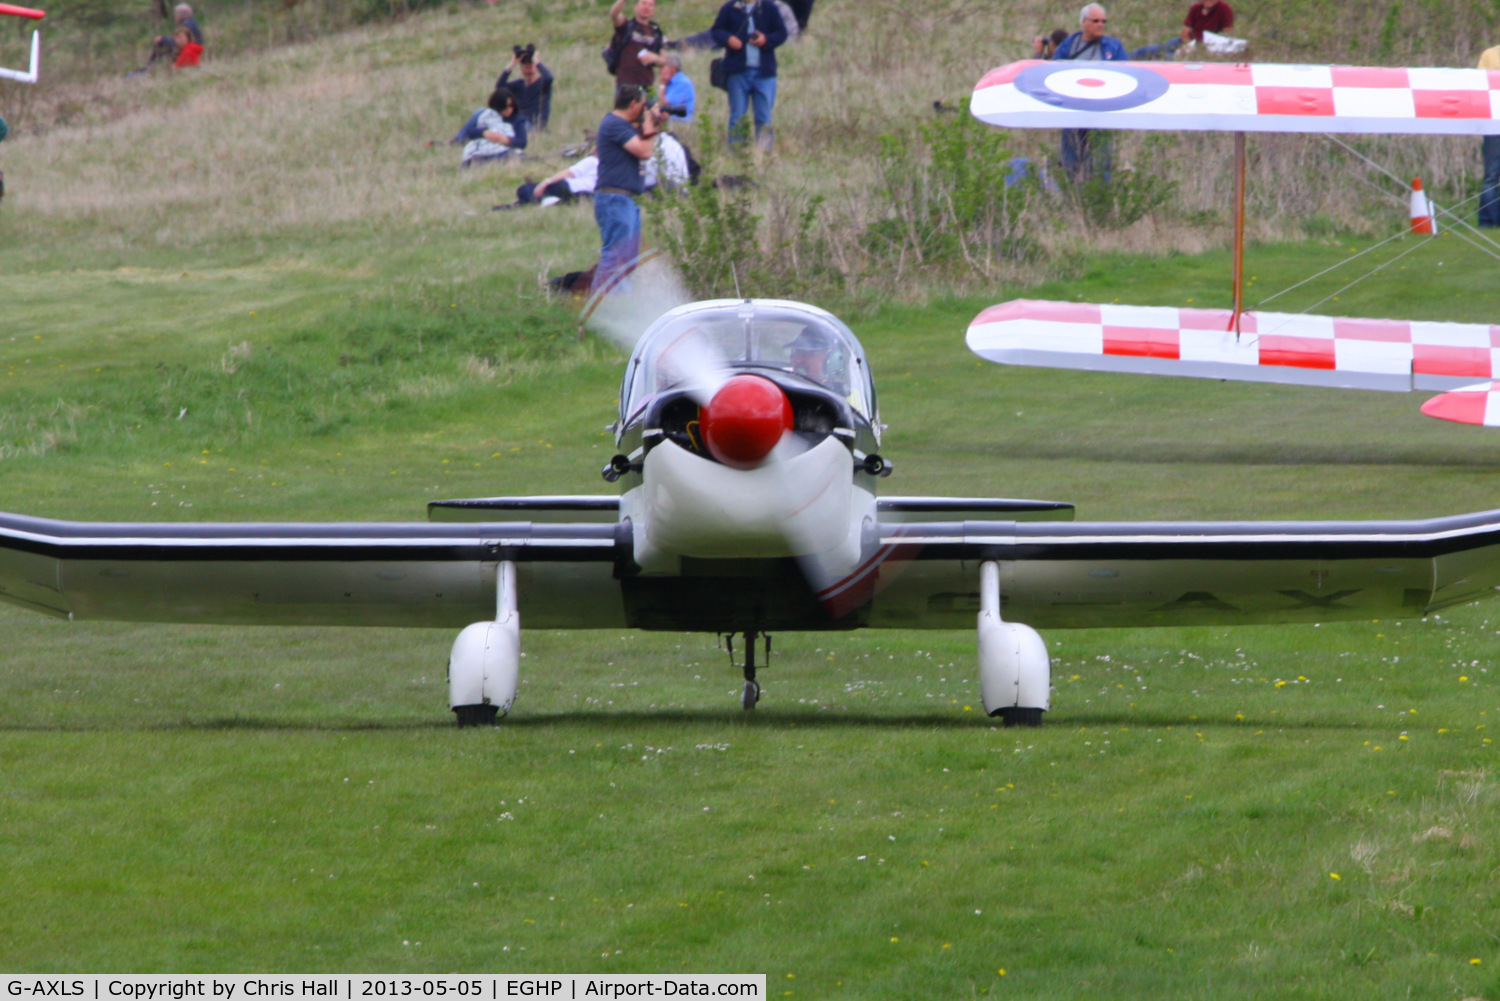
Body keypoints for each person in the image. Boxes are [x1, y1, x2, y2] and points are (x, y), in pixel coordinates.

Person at [1034, 4, 1125, 182]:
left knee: (1101, 162)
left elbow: (1128, 74)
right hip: (1073, 112)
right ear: (1084, 22)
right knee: (1070, 161)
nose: (1100, 24)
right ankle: (1071, 198)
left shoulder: (1113, 47)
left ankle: (1099, 201)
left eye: (1103, 21)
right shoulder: (1069, 46)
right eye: (1096, 20)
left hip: (1102, 113)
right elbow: (1052, 73)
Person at [592, 84, 667, 293]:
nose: (645, 109)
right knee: (616, 256)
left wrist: (655, 122)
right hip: (615, 198)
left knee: (627, 258)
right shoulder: (614, 124)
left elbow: (640, 140)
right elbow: (644, 151)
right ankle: (601, 308)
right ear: (633, 104)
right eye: (643, 105)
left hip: (627, 199)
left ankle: (619, 304)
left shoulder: (622, 126)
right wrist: (651, 126)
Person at [711, 0, 789, 148]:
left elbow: (782, 33)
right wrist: (728, 39)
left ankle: (764, 153)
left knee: (764, 117)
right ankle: (737, 153)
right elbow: (716, 30)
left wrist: (766, 40)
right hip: (737, 72)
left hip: (764, 72)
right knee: (737, 116)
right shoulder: (730, 8)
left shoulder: (768, 8)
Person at [1130, 0, 1233, 60]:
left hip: (1205, 48)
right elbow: (1185, 33)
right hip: (1187, 41)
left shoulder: (1224, 9)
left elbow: (1226, 36)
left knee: (1167, 57)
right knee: (1154, 49)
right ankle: (1124, 58)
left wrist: (1199, 50)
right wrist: (1187, 45)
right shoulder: (1196, 8)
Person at [609, 0, 666, 89]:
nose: (647, 7)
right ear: (635, 7)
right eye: (643, 3)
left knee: (654, 103)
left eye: (650, 5)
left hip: (648, 85)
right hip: (626, 84)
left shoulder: (656, 32)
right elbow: (614, 15)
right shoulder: (626, 25)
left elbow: (664, 61)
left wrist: (654, 58)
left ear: (653, 10)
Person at [497, 45, 553, 131]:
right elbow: (499, 87)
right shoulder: (518, 85)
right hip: (517, 123)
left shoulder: (542, 84)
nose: (527, 65)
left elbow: (549, 78)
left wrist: (537, 61)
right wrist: (512, 63)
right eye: (524, 63)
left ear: (536, 67)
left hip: (534, 125)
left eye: (530, 63)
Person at [461, 88, 519, 167]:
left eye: (511, 106)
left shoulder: (514, 120)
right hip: (488, 151)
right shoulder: (488, 116)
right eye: (507, 106)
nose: (509, 109)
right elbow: (470, 131)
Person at [1481, 43, 1500, 229]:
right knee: (1491, 175)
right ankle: (1488, 221)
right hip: (1494, 123)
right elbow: (1479, 85)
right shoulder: (1489, 55)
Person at [659, 53, 696, 122]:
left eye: (662, 67)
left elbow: (664, 104)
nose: (659, 71)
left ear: (672, 68)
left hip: (679, 122)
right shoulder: (670, 82)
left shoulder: (682, 82)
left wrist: (662, 85)